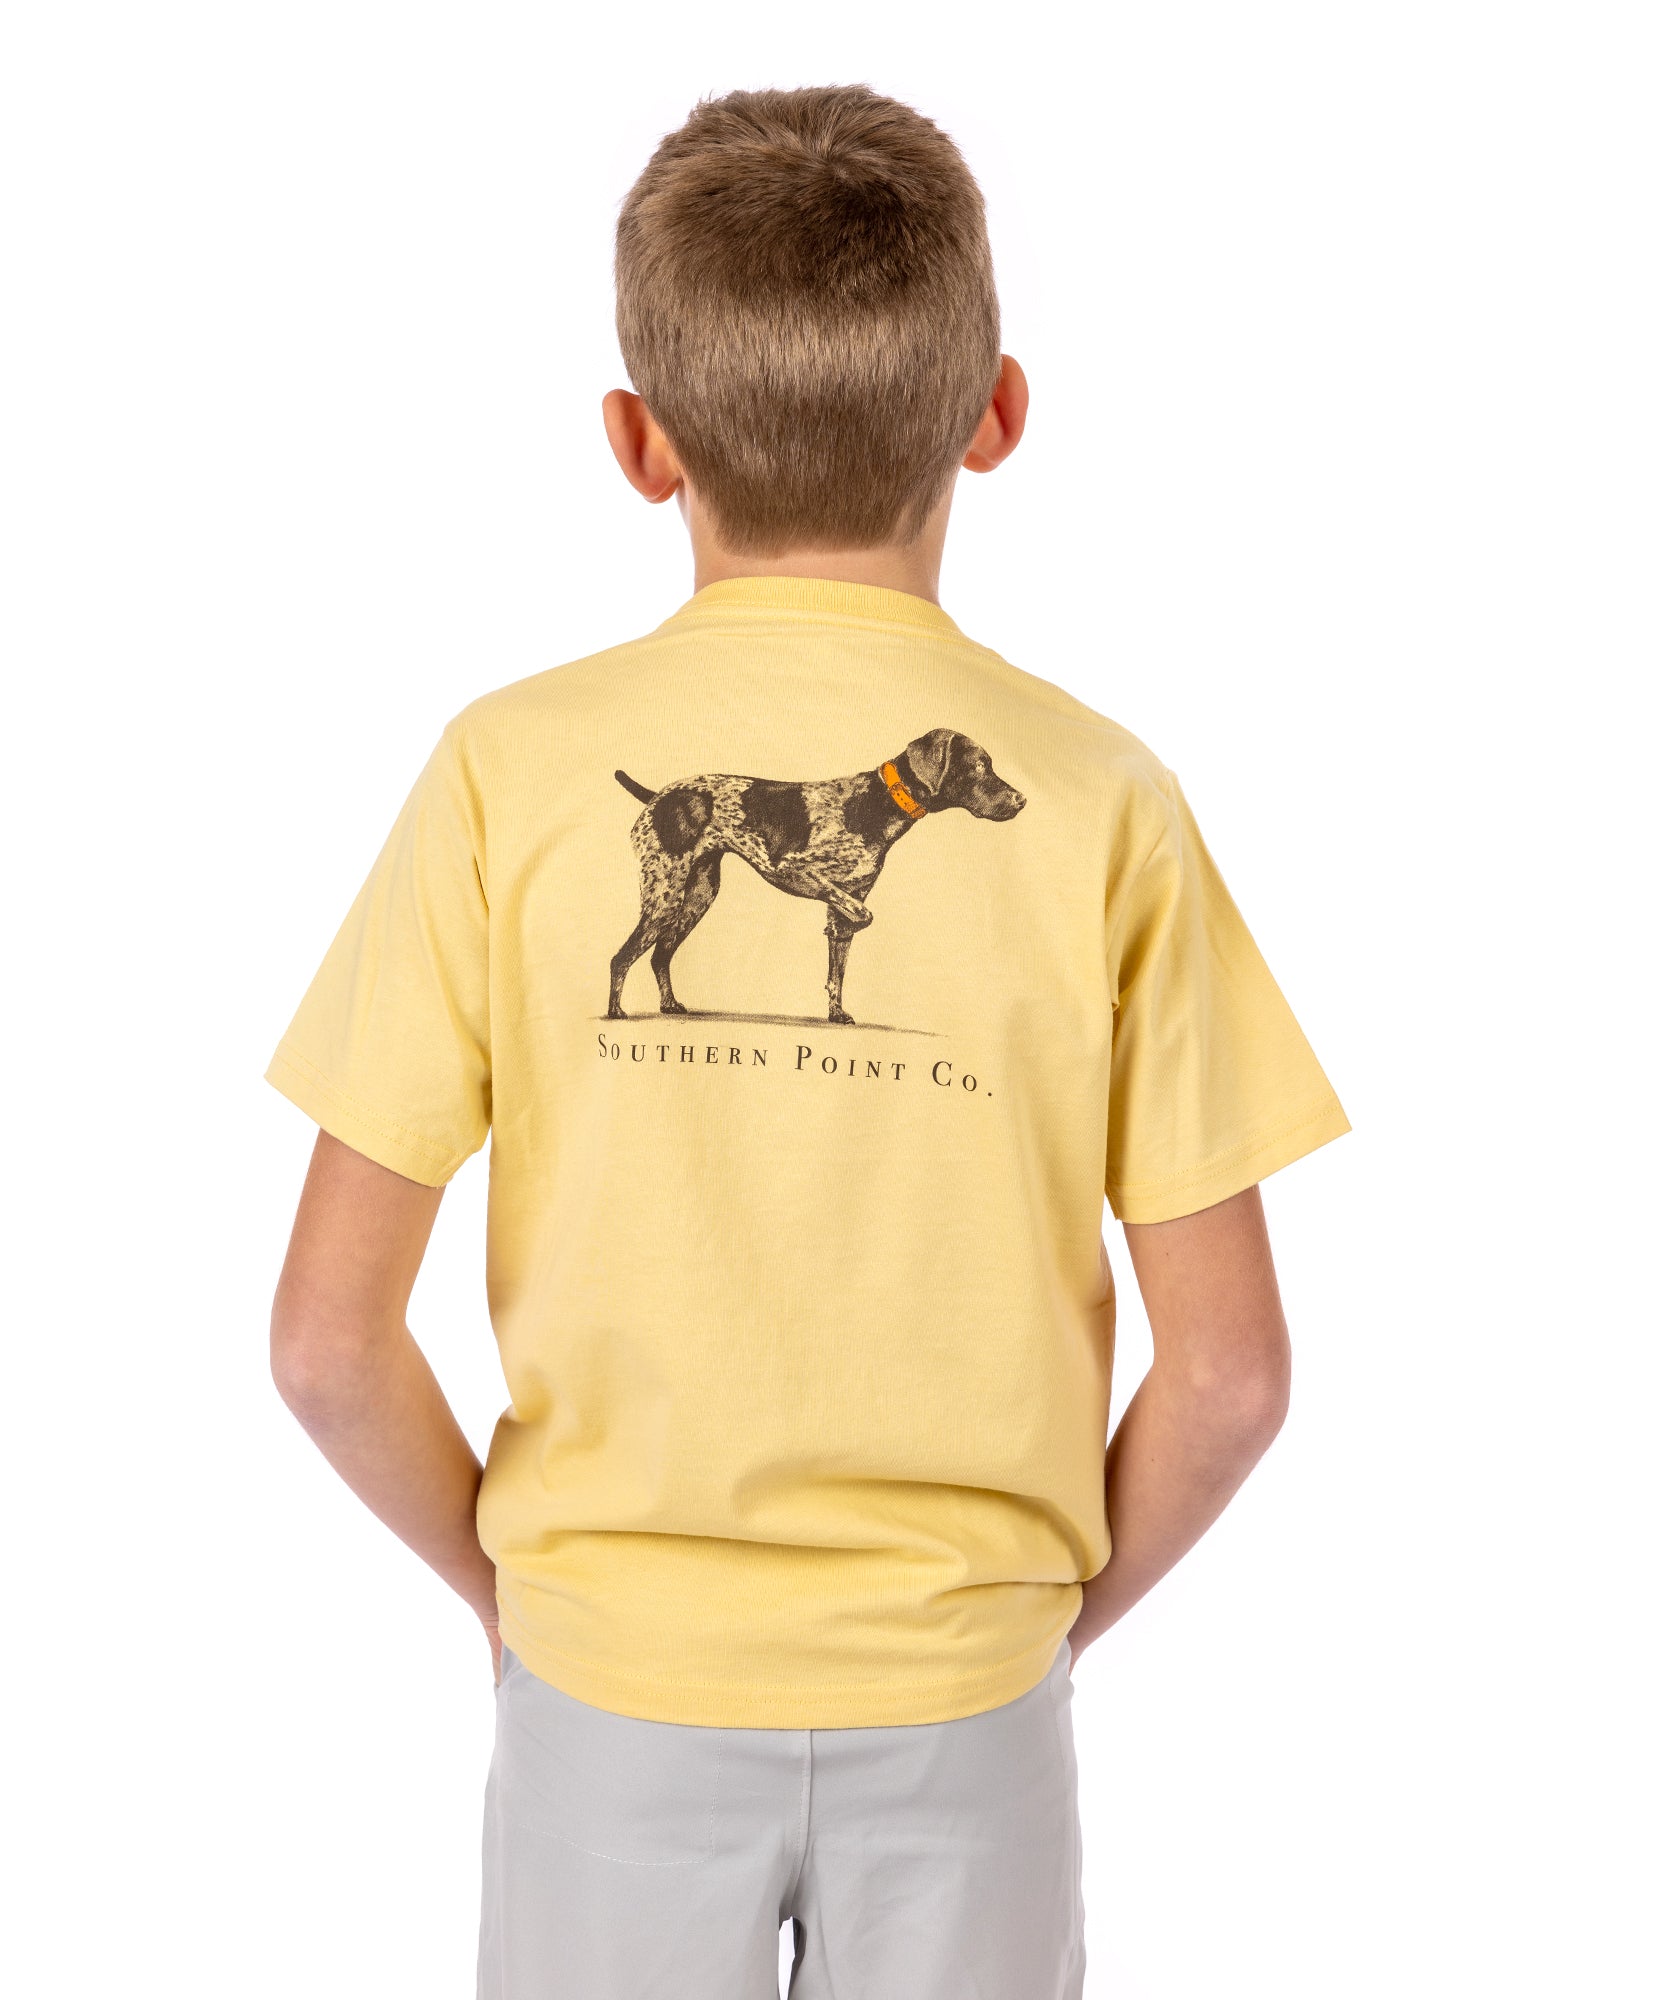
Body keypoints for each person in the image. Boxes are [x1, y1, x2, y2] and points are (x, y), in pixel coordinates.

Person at [266, 84, 1348, 2000]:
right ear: (995, 413)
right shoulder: (1110, 802)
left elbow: (325, 1343)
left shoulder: (502, 774)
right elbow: (1236, 1375)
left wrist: (520, 1603)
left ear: (636, 442)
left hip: (607, 1691)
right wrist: (1024, 1633)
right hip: (966, 1705)